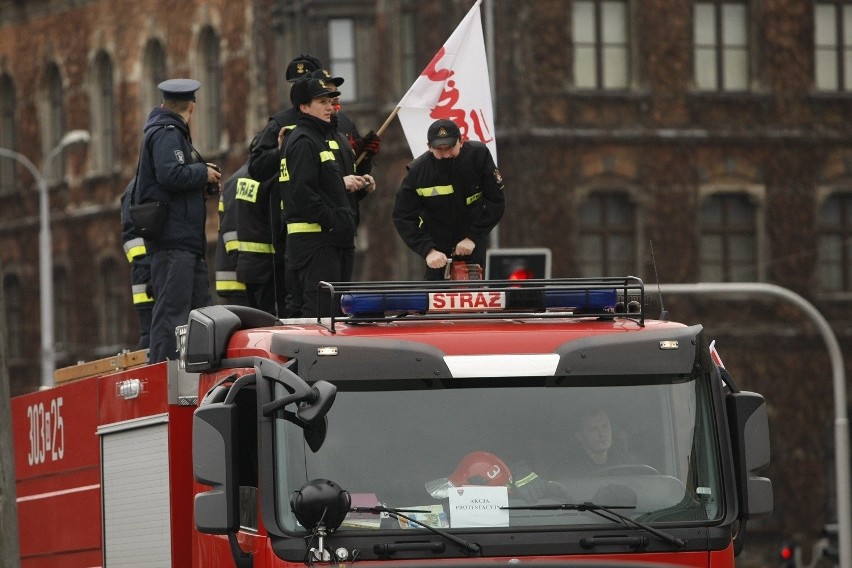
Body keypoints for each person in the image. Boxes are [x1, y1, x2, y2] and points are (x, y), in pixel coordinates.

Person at [136, 78, 221, 363]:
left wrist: (199, 176)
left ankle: (196, 372)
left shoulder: (169, 132)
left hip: (184, 242)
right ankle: (162, 376)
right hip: (174, 241)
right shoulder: (168, 132)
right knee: (172, 313)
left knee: (201, 314)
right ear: (192, 107)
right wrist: (202, 173)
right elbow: (170, 174)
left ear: (164, 103)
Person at [279, 77, 355, 317]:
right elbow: (302, 193)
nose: (330, 107)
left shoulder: (318, 138)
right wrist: (333, 221)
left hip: (324, 242)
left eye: (330, 101)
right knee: (319, 314)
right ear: (304, 107)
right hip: (315, 244)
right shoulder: (304, 141)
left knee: (331, 312)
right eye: (322, 102)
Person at [393, 118, 505, 280]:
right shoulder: (418, 172)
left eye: (450, 148)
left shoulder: (478, 156)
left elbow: (496, 201)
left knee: (472, 299)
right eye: (439, 149)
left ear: (461, 141)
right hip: (437, 247)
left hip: (473, 242)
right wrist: (427, 250)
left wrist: (473, 237)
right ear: (429, 147)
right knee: (434, 299)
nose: (445, 154)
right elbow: (402, 216)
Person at [120, 177, 154, 351]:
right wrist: (149, 274)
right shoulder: (136, 188)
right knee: (152, 338)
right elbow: (131, 239)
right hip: (147, 286)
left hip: (158, 279)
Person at [214, 165, 249, 306]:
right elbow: (232, 231)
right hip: (239, 280)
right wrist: (244, 269)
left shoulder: (236, 179)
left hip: (236, 277)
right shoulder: (243, 179)